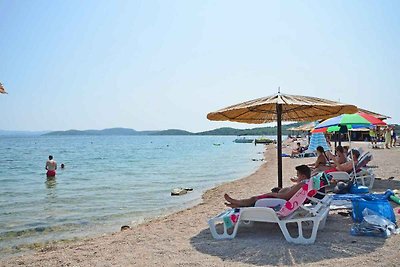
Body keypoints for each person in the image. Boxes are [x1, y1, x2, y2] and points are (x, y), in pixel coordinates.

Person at [224, 165, 312, 208]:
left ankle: (236, 202)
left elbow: (286, 196)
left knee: (255, 199)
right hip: (283, 199)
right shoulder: (307, 182)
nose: (297, 176)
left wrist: (273, 194)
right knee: (255, 199)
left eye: (298, 175)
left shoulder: (302, 184)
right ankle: (237, 204)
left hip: (281, 201)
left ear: (303, 176)